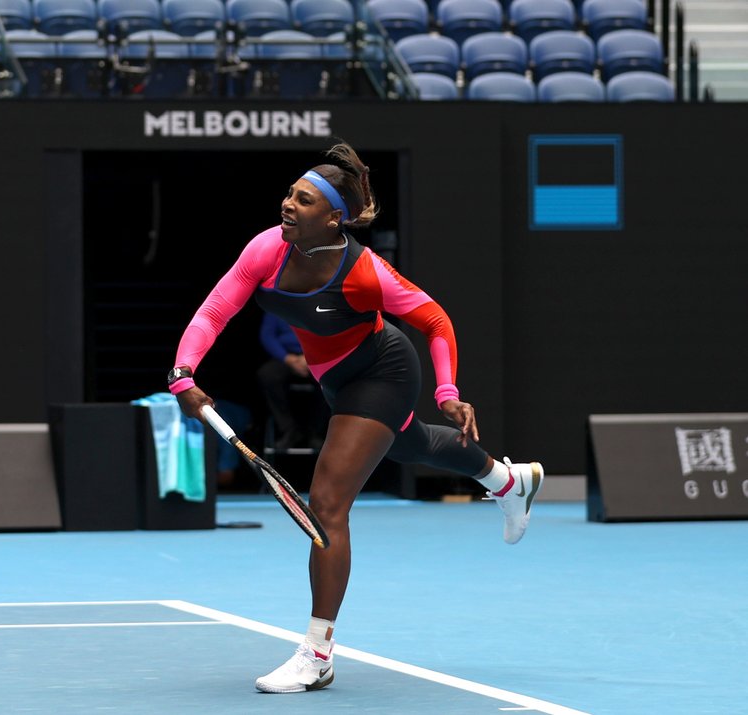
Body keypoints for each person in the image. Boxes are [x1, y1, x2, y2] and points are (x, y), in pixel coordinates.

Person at [165, 142, 544, 694]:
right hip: (335, 379)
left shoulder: (366, 273)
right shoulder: (266, 250)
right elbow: (215, 310)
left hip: (383, 371)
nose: (287, 205)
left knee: (326, 505)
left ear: (333, 217)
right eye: (289, 195)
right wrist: (184, 373)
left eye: (303, 199)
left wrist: (446, 390)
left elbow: (436, 320)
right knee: (408, 444)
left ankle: (317, 652)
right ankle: (508, 480)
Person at [257, 312, 325, 451]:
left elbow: (329, 332)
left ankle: (317, 432)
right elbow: (267, 335)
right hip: (286, 356)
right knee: (267, 375)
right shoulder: (275, 302)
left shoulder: (319, 297)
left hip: (317, 356)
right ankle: (289, 430)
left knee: (331, 377)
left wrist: (311, 357)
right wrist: (287, 358)